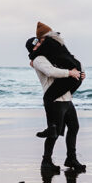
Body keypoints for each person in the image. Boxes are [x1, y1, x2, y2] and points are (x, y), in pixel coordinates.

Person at [26, 26, 86, 173]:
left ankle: (71, 158)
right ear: (33, 49)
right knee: (54, 133)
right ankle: (46, 161)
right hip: (55, 100)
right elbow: (50, 71)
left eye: (40, 42)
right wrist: (69, 72)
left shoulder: (49, 55)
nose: (41, 44)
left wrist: (78, 73)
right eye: (38, 44)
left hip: (66, 99)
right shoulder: (39, 59)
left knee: (74, 127)